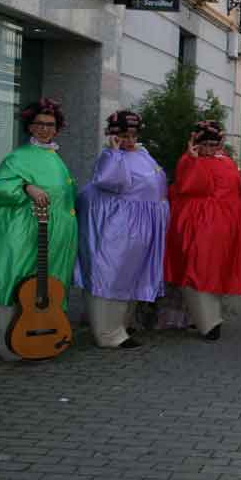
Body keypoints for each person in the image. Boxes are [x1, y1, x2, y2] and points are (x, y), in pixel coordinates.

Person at [0, 99, 78, 361]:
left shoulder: (53, 156)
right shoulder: (19, 156)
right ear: (30, 127)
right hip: (21, 232)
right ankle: (3, 340)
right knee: (9, 280)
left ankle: (36, 332)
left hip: (51, 234)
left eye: (51, 125)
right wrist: (26, 188)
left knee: (42, 288)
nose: (45, 129)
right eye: (40, 124)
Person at [74, 111, 169, 350]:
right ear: (114, 135)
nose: (129, 140)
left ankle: (122, 325)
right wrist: (114, 151)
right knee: (113, 274)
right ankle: (108, 333)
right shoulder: (110, 156)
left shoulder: (142, 153)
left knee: (130, 275)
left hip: (139, 227)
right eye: (123, 135)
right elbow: (109, 181)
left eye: (133, 135)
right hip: (119, 228)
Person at [164, 120, 241, 341]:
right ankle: (208, 322)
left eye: (215, 144)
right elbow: (184, 186)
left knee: (212, 271)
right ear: (196, 143)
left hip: (221, 226)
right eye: (207, 144)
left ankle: (208, 318)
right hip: (200, 225)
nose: (211, 149)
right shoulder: (192, 161)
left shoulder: (225, 162)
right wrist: (191, 158)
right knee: (199, 270)